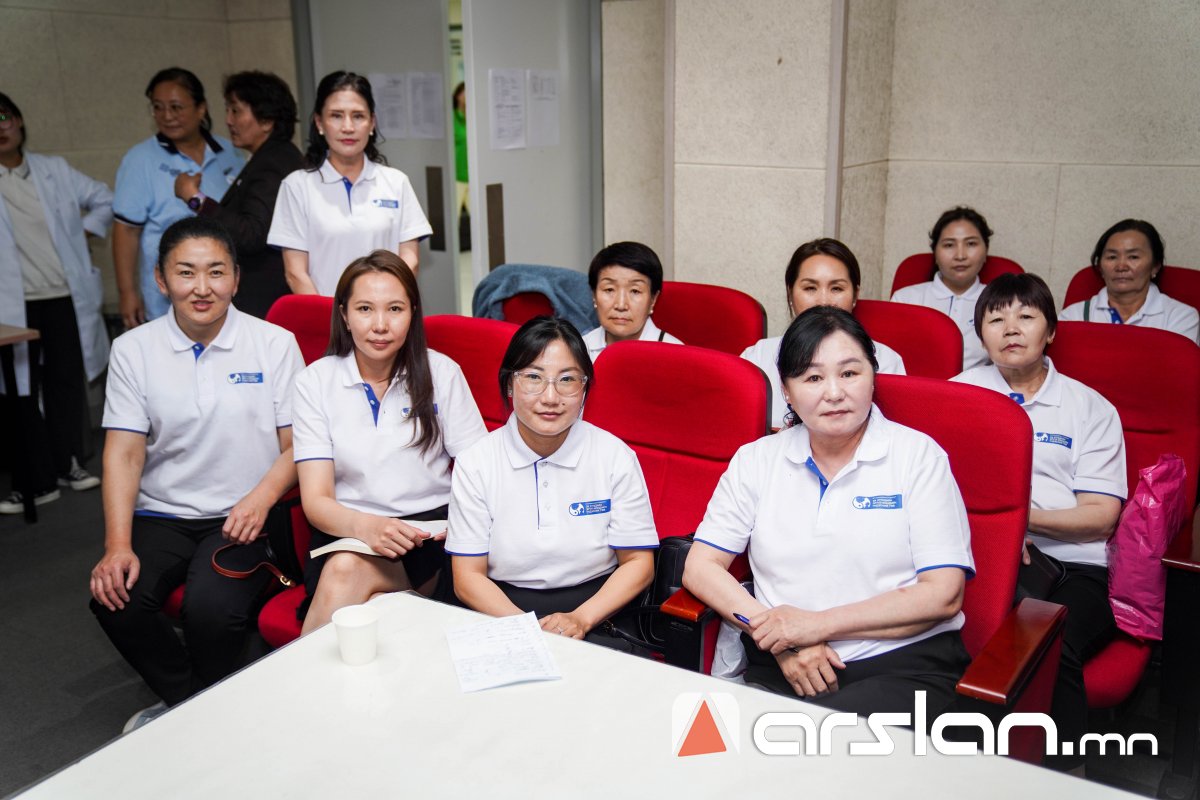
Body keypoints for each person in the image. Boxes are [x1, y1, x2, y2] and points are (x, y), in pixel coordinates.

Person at [684, 306, 974, 717]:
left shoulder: (918, 456)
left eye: (850, 373)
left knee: (809, 748)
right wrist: (782, 638)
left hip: (900, 666)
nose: (834, 393)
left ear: (873, 374)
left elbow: (943, 594)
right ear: (786, 391)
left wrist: (815, 625)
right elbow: (700, 567)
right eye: (813, 378)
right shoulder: (756, 459)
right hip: (785, 664)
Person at [89, 217, 303, 730]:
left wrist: (260, 499)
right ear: (161, 279)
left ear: (236, 279)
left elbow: (298, 446)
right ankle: (194, 709)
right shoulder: (133, 350)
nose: (202, 288)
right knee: (116, 598)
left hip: (243, 516)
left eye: (216, 272)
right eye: (186, 273)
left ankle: (195, 715)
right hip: (162, 513)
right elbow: (123, 454)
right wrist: (117, 545)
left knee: (210, 610)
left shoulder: (274, 343)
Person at [952, 272, 1125, 771]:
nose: (1011, 328)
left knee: (1047, 647)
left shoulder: (1089, 408)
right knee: (958, 640)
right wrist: (995, 538)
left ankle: (1063, 775)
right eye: (996, 319)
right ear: (980, 333)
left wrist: (1022, 523)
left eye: (1026, 317)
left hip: (1074, 567)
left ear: (1050, 331)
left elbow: (1101, 517)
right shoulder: (957, 395)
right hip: (981, 557)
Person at [292, 250, 485, 634]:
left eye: (395, 309)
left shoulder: (442, 373)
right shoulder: (315, 382)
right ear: (344, 315)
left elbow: (482, 472)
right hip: (347, 532)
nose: (380, 325)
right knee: (349, 573)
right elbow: (316, 501)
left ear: (412, 313)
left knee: (355, 598)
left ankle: (297, 675)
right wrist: (367, 528)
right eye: (365, 309)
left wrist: (463, 524)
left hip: (427, 537)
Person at [446, 317, 658, 645]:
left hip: (599, 610)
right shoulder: (476, 462)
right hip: (499, 608)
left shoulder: (615, 456)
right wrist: (527, 630)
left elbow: (638, 564)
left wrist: (581, 619)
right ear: (509, 384)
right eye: (533, 377)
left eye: (567, 380)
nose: (550, 397)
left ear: (584, 388)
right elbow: (467, 577)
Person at [0, 91, 112, 513]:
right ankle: (36, 480)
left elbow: (104, 198)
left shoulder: (54, 170)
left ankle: (69, 465)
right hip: (14, 307)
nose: (0, 128)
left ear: (18, 120)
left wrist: (80, 233)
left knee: (65, 385)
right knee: (21, 393)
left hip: (63, 298)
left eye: (4, 117)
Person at [269, 72, 432, 296]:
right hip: (325, 314)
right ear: (319, 122)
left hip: (386, 312)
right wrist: (331, 316)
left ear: (372, 123)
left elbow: (410, 261)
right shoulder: (296, 187)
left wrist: (382, 308)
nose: (348, 127)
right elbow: (295, 273)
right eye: (336, 116)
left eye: (358, 116)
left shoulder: (396, 182)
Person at [112, 67, 243, 326]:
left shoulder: (230, 152)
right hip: (168, 297)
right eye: (158, 107)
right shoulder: (141, 159)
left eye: (176, 107)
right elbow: (126, 231)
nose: (167, 116)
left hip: (223, 290)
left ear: (201, 109)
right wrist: (127, 293)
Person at [174, 71, 304, 320]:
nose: (228, 120)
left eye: (236, 111)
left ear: (266, 121)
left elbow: (251, 233)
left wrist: (195, 198)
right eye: (228, 110)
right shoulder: (271, 156)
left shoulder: (273, 163)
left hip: (264, 300)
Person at [741, 238, 906, 429]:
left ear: (855, 295)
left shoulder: (886, 360)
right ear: (790, 293)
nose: (824, 300)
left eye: (836, 288)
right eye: (810, 288)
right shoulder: (757, 356)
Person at [1060, 219, 1198, 344]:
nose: (1121, 266)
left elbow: (1179, 364)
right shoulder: (1073, 316)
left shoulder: (1180, 316)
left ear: (1155, 266)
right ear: (1100, 267)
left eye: (1133, 257)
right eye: (1112, 257)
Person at [891, 206, 993, 370]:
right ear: (935, 253)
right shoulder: (905, 299)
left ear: (986, 250)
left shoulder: (1000, 302)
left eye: (971, 244)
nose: (960, 255)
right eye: (949, 245)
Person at [581, 241, 682, 361]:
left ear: (653, 299)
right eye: (609, 289)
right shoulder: (578, 351)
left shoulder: (676, 355)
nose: (621, 305)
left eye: (635, 291)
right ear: (594, 295)